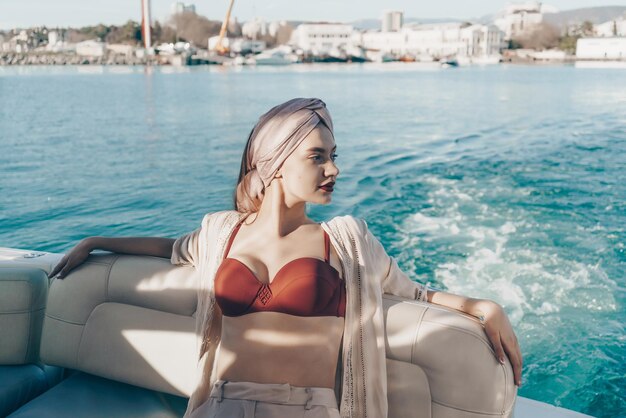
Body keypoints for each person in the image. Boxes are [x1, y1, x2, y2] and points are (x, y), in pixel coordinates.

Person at [49, 98, 522, 418]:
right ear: (274, 163)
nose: (333, 169)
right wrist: (96, 241)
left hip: (308, 408)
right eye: (318, 157)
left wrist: (483, 308)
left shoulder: (345, 240)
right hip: (221, 404)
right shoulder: (223, 232)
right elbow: (170, 248)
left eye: (334, 155)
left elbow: (412, 291)